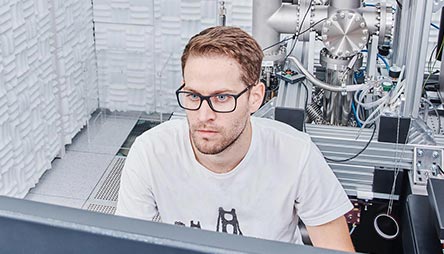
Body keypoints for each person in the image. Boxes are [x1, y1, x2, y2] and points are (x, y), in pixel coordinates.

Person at [116, 26, 355, 252]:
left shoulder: (296, 154)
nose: (203, 115)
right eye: (193, 95)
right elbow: (125, 247)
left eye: (221, 98)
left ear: (255, 97)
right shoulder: (150, 152)